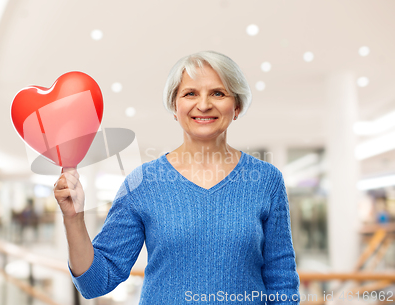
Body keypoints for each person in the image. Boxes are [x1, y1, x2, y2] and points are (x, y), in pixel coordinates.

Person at [54, 50, 300, 304]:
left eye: (218, 93)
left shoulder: (266, 180)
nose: (203, 104)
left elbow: (282, 282)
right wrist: (74, 219)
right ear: (174, 106)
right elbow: (95, 282)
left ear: (236, 106)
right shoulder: (143, 183)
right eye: (190, 93)